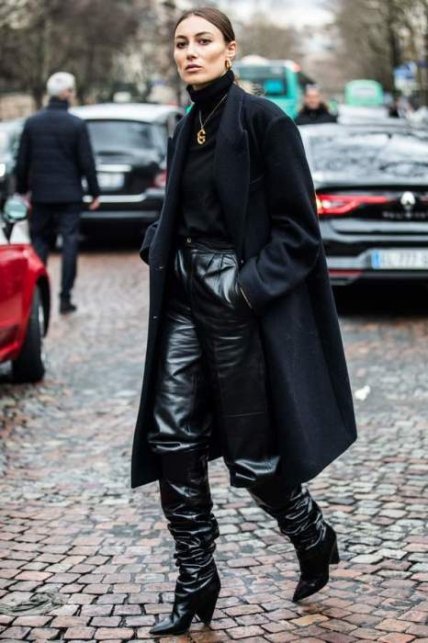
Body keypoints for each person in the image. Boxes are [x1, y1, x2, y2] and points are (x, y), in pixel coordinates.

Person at [131, 7, 357, 637]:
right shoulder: (188, 123)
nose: (190, 51)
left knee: (254, 456)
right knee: (172, 437)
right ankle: (196, 578)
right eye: (181, 42)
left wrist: (243, 290)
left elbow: (299, 233)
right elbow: (184, 207)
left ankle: (310, 532)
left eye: (203, 41)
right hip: (182, 294)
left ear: (230, 50)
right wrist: (158, 242)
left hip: (234, 297)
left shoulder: (265, 119)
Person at [15, 72, 100, 314]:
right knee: (69, 243)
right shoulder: (76, 124)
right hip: (70, 195)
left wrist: (22, 190)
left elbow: (22, 161)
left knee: (39, 243)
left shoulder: (32, 123)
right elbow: (86, 162)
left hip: (41, 194)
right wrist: (94, 192)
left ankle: (37, 296)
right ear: (67, 93)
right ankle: (65, 297)